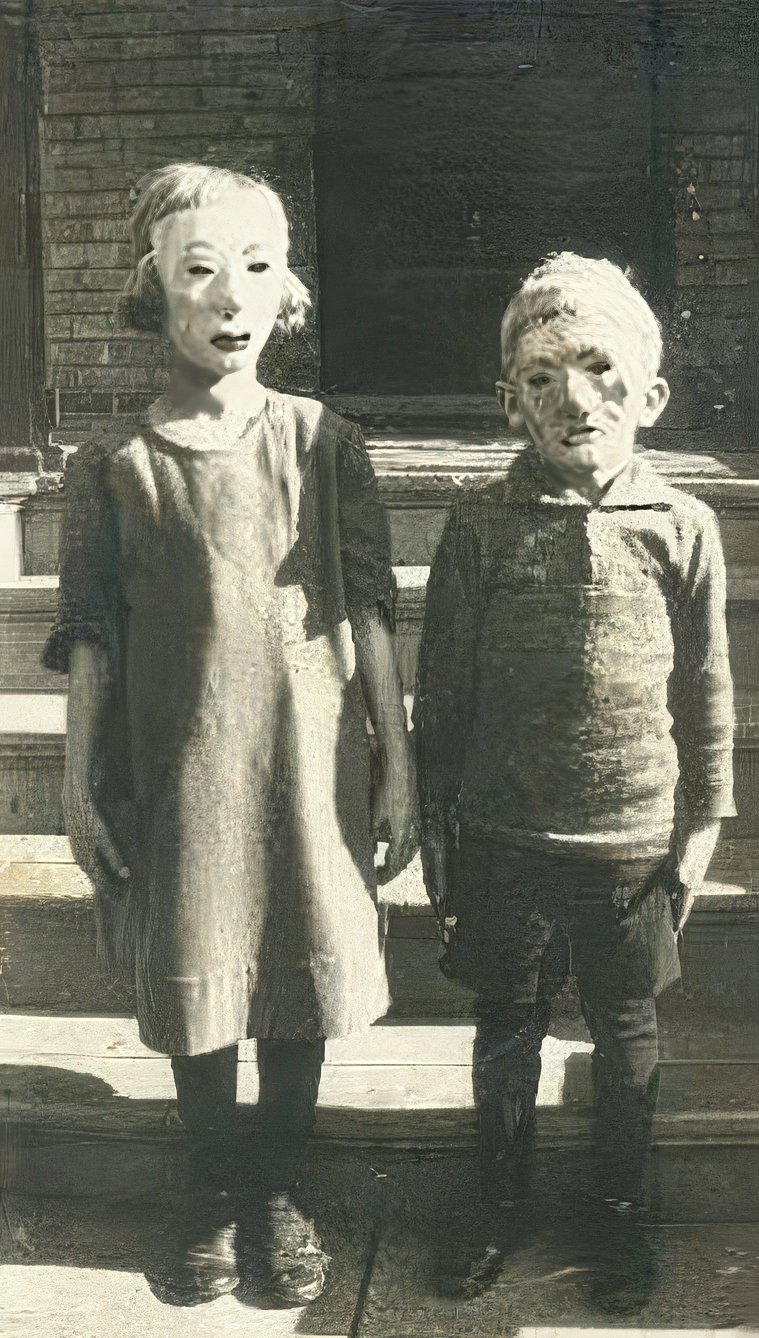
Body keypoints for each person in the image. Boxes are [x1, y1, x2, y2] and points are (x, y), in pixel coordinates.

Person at [44, 162, 417, 1307]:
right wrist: (73, 782)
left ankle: (276, 1188)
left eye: (254, 268)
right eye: (198, 272)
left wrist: (396, 760)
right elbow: (91, 635)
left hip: (304, 766)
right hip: (179, 764)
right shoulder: (114, 467)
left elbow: (367, 608)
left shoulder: (322, 442)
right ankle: (209, 1186)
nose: (229, 296)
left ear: (286, 289)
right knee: (196, 962)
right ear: (154, 295)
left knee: (297, 964)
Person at [415, 252, 735, 1306]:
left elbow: (707, 692)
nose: (573, 399)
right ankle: (495, 1206)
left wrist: (699, 830)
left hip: (633, 843)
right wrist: (438, 832)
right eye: (541, 377)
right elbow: (444, 698)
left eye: (597, 369)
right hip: (505, 837)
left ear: (647, 394)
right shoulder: (479, 526)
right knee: (504, 1026)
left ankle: (618, 1221)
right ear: (510, 401)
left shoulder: (681, 528)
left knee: (627, 1030)